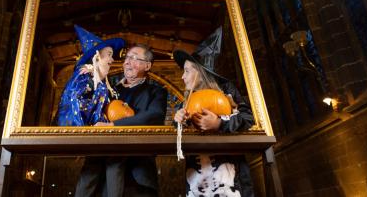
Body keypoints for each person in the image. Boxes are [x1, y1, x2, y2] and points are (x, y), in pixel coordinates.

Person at [75, 44, 168, 197]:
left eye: (134, 58)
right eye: (126, 58)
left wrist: (113, 126)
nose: (127, 62)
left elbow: (154, 115)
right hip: (99, 175)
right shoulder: (108, 89)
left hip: (137, 176)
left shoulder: (157, 92)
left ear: (147, 65)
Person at [173, 28, 255, 197]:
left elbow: (248, 118)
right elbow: (178, 132)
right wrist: (178, 120)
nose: (182, 77)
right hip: (198, 178)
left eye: (187, 71)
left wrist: (219, 123)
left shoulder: (227, 91)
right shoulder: (187, 101)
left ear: (201, 73)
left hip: (230, 175)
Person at [56, 24, 125, 126]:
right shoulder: (83, 77)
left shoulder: (103, 82)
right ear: (96, 57)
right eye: (109, 54)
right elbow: (75, 105)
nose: (112, 59)